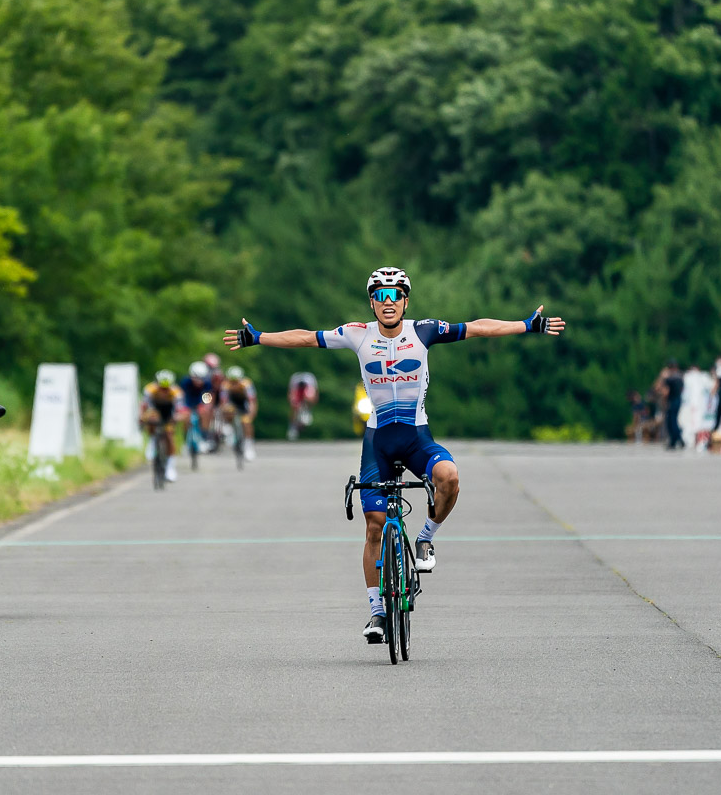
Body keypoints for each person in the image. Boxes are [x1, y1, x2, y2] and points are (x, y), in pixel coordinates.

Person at [223, 266, 564, 643]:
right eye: (380, 296)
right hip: (378, 442)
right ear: (372, 302)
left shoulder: (424, 331)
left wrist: (526, 325)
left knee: (449, 477)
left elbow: (478, 327)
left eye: (395, 295)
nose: (388, 303)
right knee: (373, 524)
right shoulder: (356, 334)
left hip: (417, 437)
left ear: (405, 300)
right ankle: (377, 613)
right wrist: (257, 337)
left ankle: (425, 537)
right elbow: (305, 338)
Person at [141, 369, 181, 482]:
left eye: (166, 388)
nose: (163, 391)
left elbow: (179, 408)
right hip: (155, 410)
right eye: (161, 388)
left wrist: (177, 417)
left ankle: (170, 468)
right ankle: (152, 441)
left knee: (169, 435)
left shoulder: (176, 391)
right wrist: (142, 417)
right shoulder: (150, 389)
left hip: (169, 413)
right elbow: (144, 405)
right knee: (151, 418)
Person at [219, 365, 258, 461]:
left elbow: (252, 401)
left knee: (246, 422)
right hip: (232, 404)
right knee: (228, 409)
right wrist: (224, 412)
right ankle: (229, 428)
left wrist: (251, 413)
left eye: (236, 381)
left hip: (244, 404)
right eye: (232, 381)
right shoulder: (225, 384)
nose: (234, 383)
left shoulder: (246, 384)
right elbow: (223, 401)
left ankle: (248, 447)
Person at [178, 360, 215, 450]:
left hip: (200, 401)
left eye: (201, 379)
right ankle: (185, 439)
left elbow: (209, 396)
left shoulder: (207, 383)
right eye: (196, 378)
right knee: (186, 417)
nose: (199, 381)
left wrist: (206, 405)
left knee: (205, 413)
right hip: (187, 401)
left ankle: (204, 437)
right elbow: (180, 396)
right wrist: (182, 407)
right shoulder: (185, 382)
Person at [654, 360, 684, 450]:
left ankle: (675, 441)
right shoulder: (680, 377)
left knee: (671, 422)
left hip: (672, 401)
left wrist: (661, 377)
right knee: (674, 421)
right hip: (678, 400)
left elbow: (661, 389)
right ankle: (679, 440)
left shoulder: (669, 379)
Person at [287, 371, 319, 440]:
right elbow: (290, 394)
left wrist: (311, 404)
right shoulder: (295, 380)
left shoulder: (310, 381)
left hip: (307, 389)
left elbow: (315, 394)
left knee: (309, 398)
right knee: (294, 406)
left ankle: (307, 411)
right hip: (296, 389)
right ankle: (293, 425)